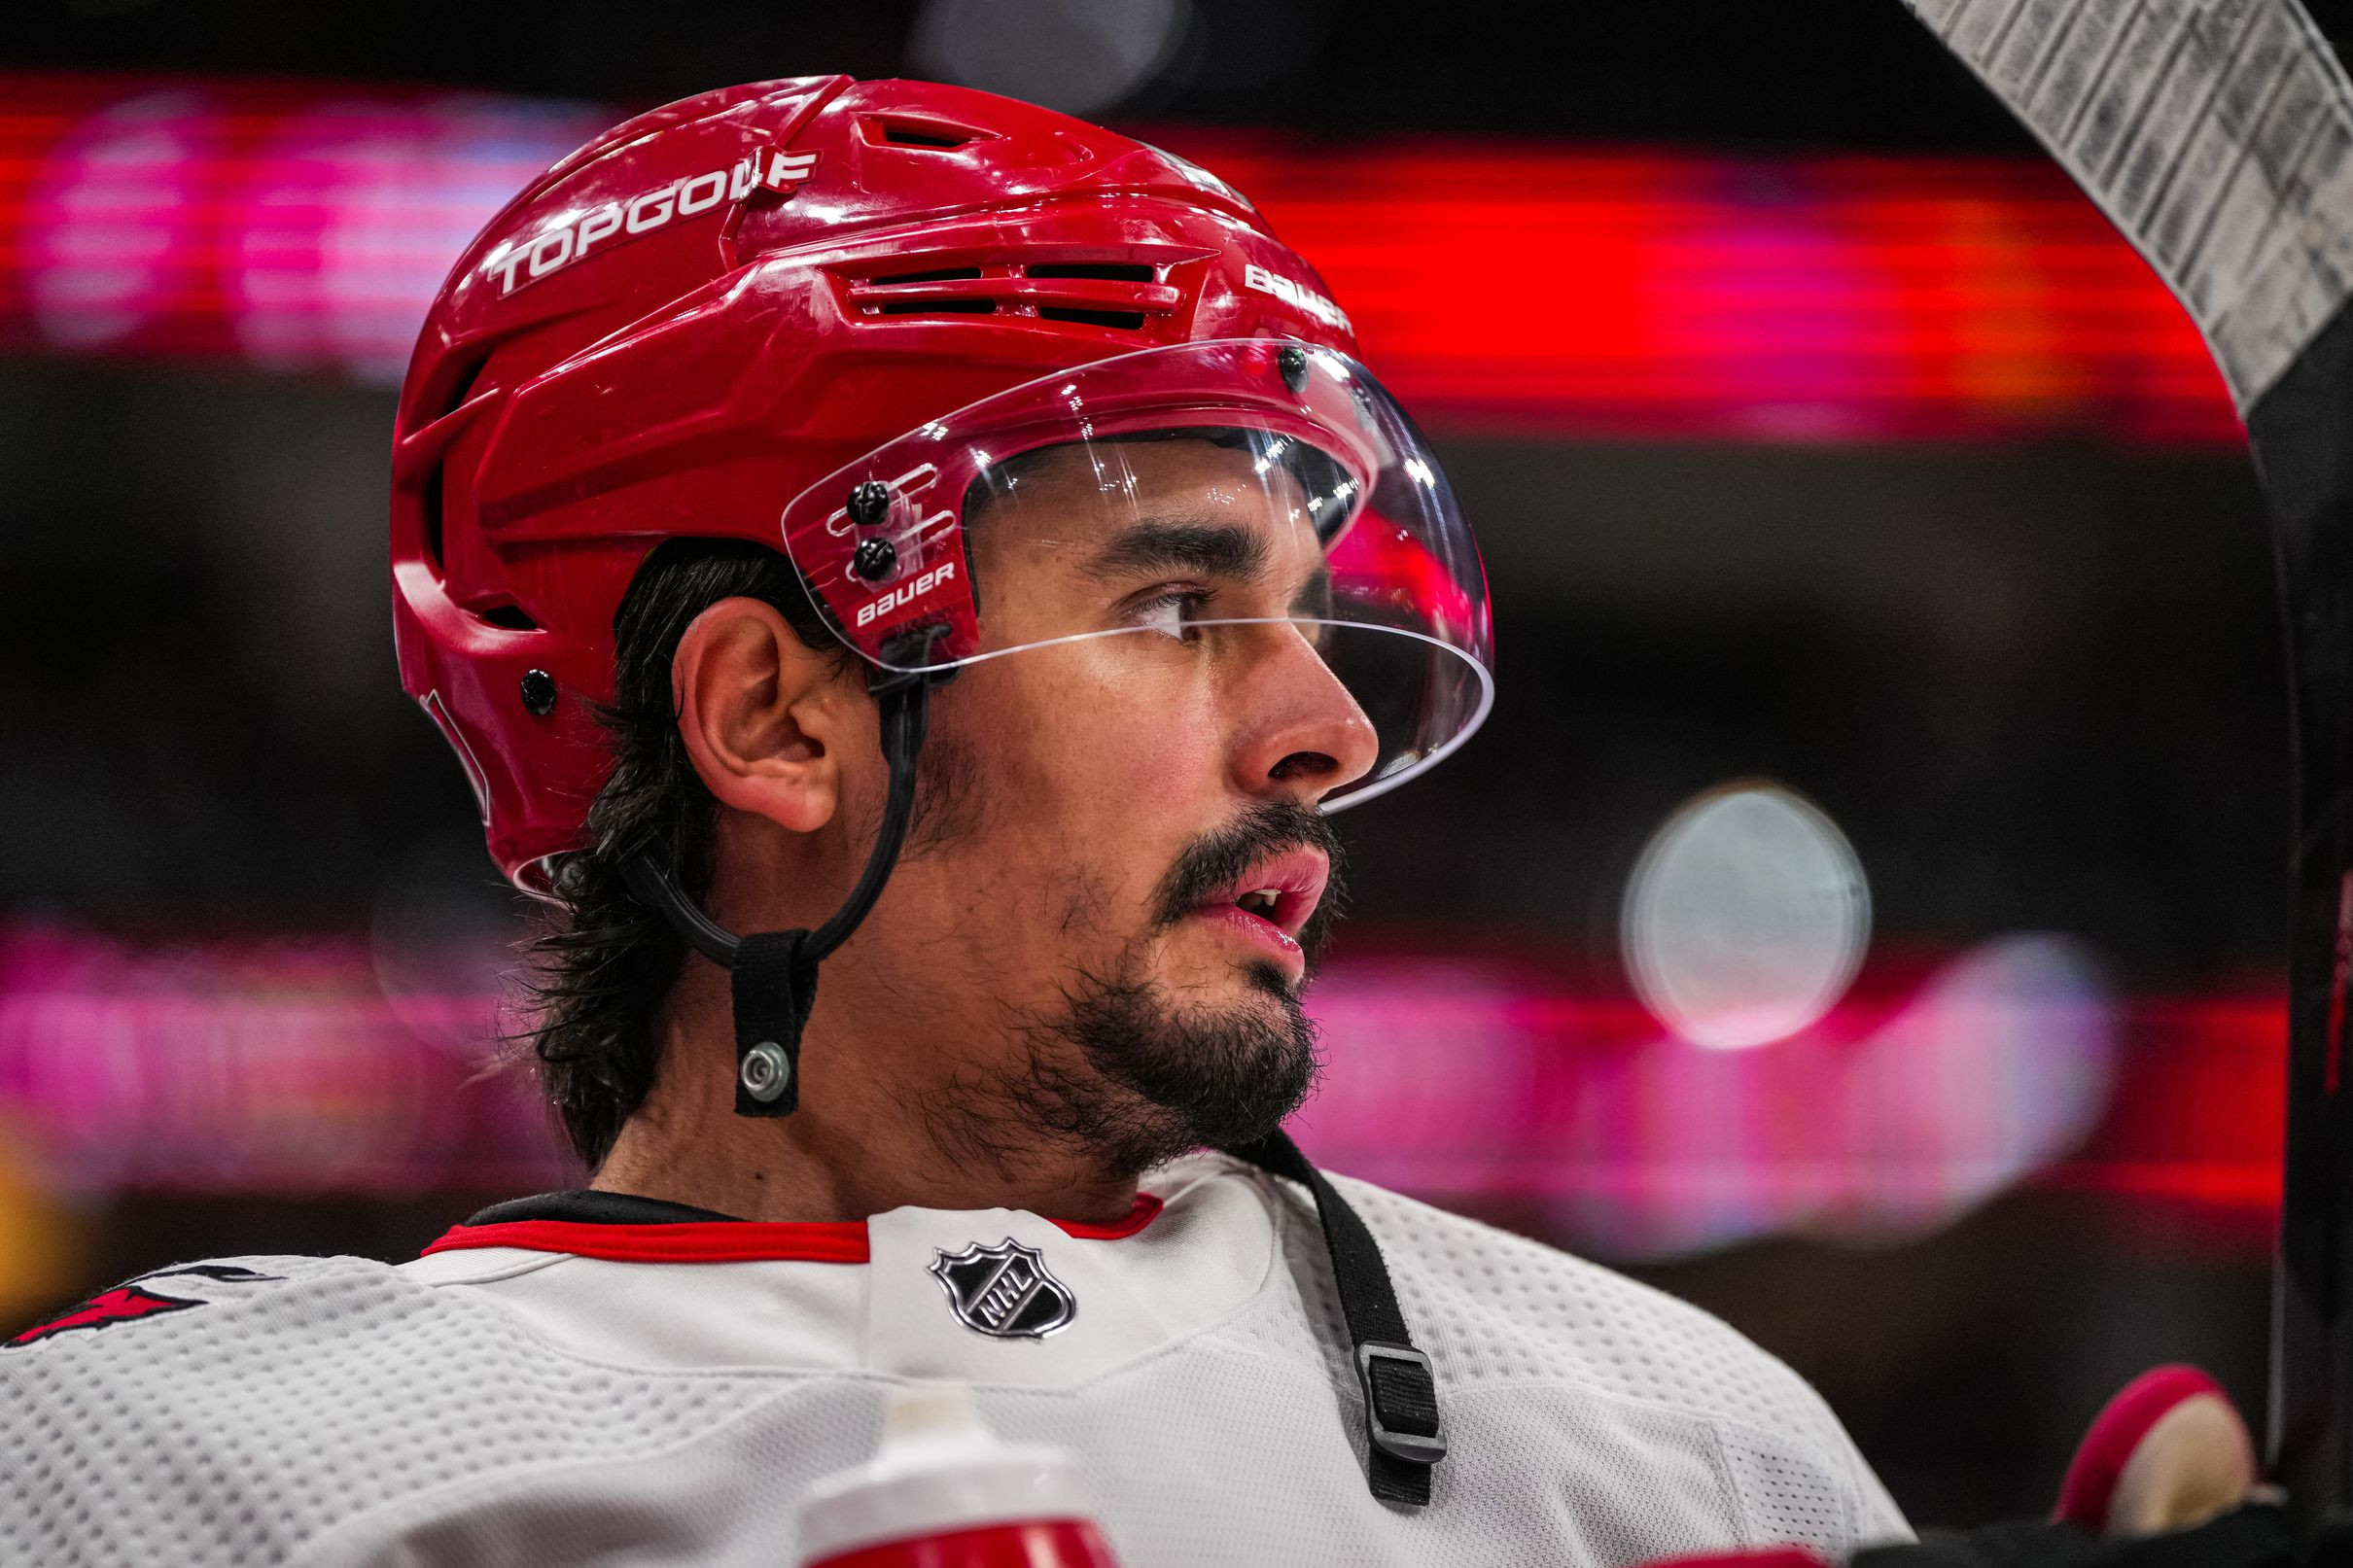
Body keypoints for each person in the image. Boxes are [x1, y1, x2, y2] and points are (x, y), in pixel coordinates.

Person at [0, 77, 1908, 1566]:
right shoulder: (157, 1480)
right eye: (1177, 608)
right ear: (773, 720)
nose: (1328, 731)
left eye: (1313, 621)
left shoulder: (1681, 1447)